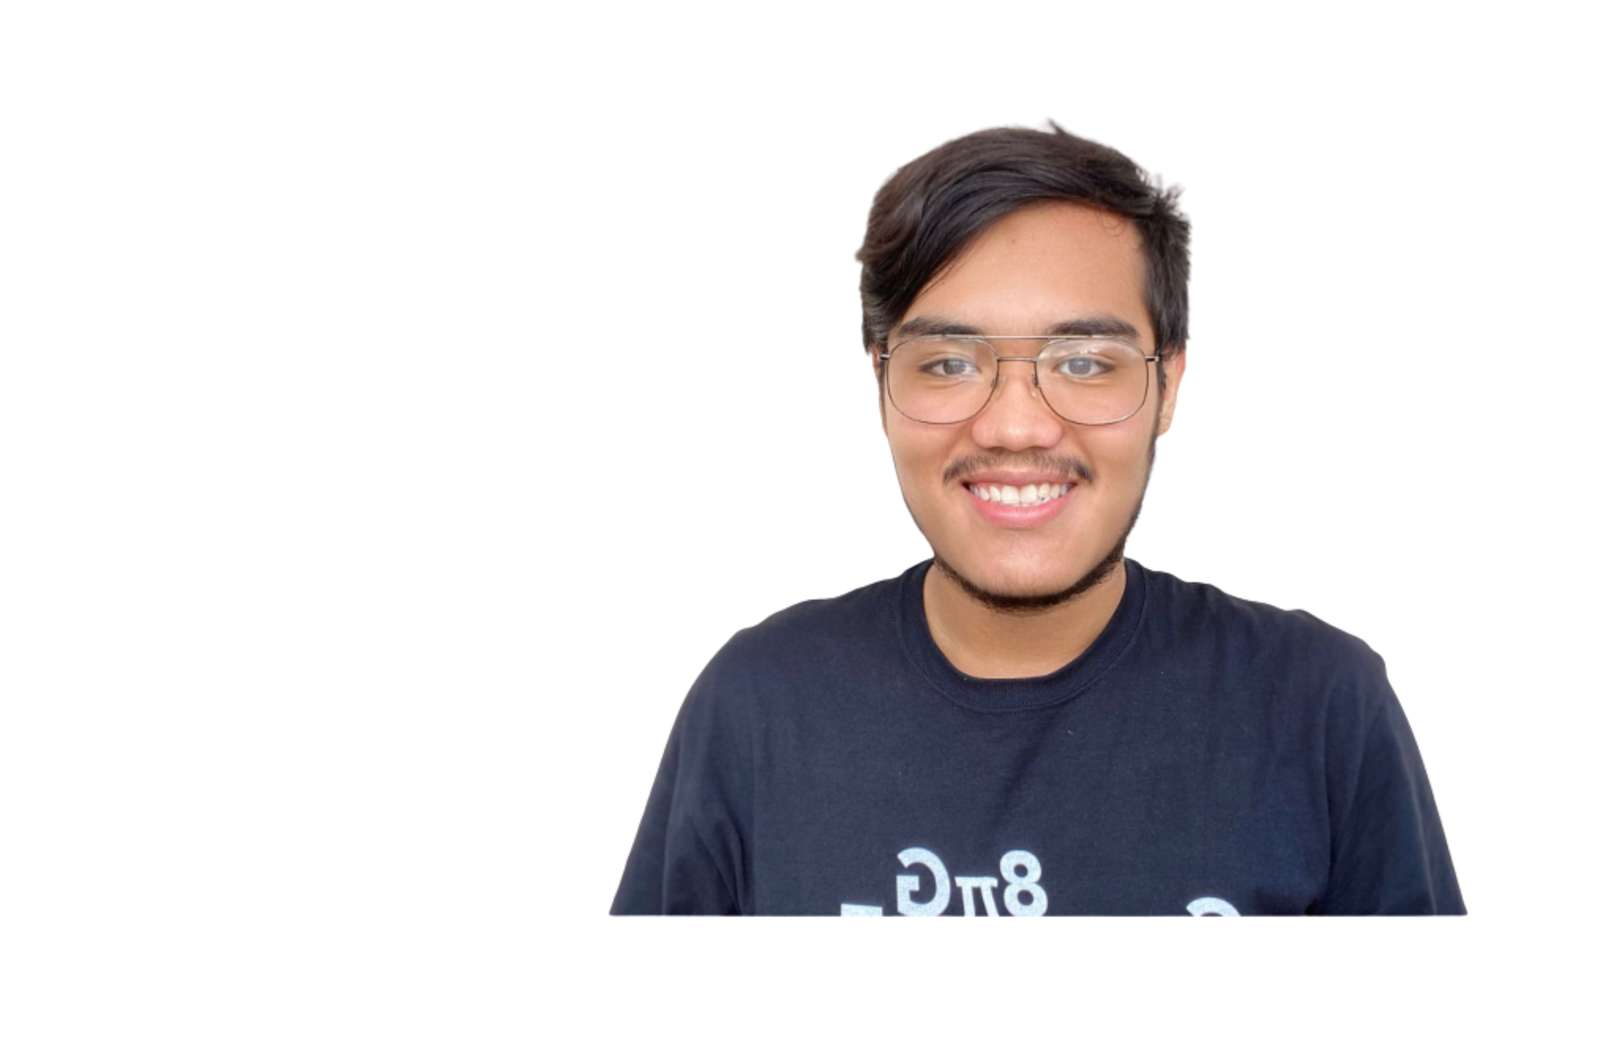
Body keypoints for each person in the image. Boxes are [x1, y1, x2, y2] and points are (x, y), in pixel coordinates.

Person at [609, 124, 1464, 916]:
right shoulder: (759, 707)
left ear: (1169, 384)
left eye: (1085, 362)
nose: (1015, 427)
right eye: (947, 362)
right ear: (879, 379)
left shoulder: (1319, 710)